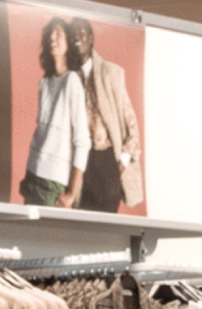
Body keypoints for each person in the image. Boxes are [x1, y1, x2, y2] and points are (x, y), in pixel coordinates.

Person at [66, 17, 143, 214]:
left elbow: (132, 124)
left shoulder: (111, 73)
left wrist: (120, 164)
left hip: (108, 161)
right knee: (83, 229)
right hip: (83, 165)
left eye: (82, 32)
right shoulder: (70, 79)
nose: (77, 37)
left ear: (91, 39)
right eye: (73, 32)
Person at [20, 16, 88, 209]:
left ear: (68, 41)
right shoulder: (44, 83)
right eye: (50, 33)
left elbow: (83, 141)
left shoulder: (72, 81)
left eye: (58, 33)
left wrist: (71, 193)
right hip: (33, 175)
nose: (53, 37)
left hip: (54, 183)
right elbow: (41, 133)